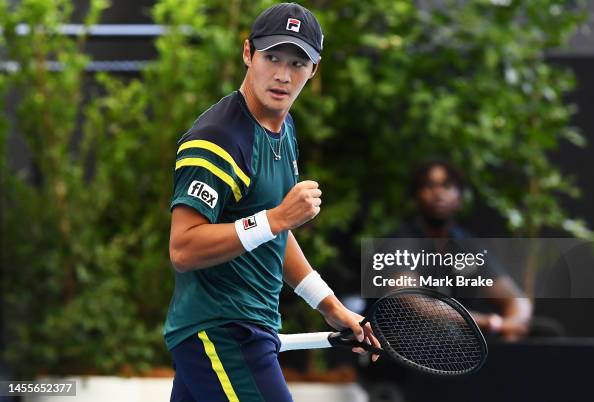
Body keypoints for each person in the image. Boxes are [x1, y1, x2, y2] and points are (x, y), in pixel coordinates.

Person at [164, 3, 379, 401]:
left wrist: (329, 306)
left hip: (246, 329)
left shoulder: (283, 126)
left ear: (314, 70)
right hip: (222, 331)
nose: (283, 74)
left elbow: (271, 236)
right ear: (248, 54)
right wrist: (276, 218)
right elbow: (183, 247)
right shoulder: (216, 141)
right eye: (272, 57)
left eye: (298, 62)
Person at [395, 160, 533, 341]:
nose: (439, 194)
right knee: (445, 331)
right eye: (429, 186)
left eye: (447, 186)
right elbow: (412, 299)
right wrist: (487, 321)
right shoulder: (400, 241)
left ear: (460, 197)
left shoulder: (466, 245)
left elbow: (517, 300)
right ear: (415, 196)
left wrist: (509, 327)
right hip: (407, 341)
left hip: (462, 344)